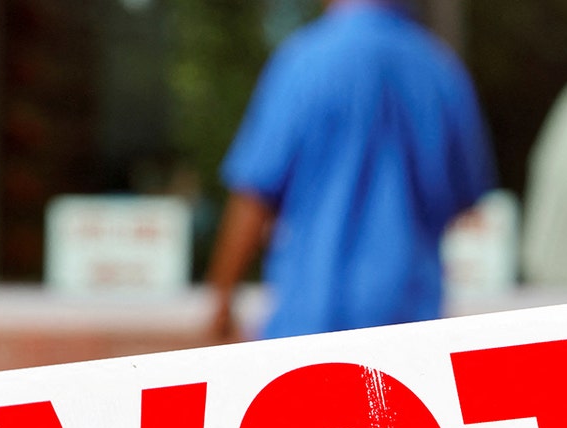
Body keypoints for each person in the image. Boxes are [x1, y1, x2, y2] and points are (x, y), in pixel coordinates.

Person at [207, 0, 494, 340]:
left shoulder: (303, 62)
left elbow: (253, 196)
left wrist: (223, 302)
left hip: (310, 328)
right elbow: (467, 198)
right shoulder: (440, 70)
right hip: (411, 328)